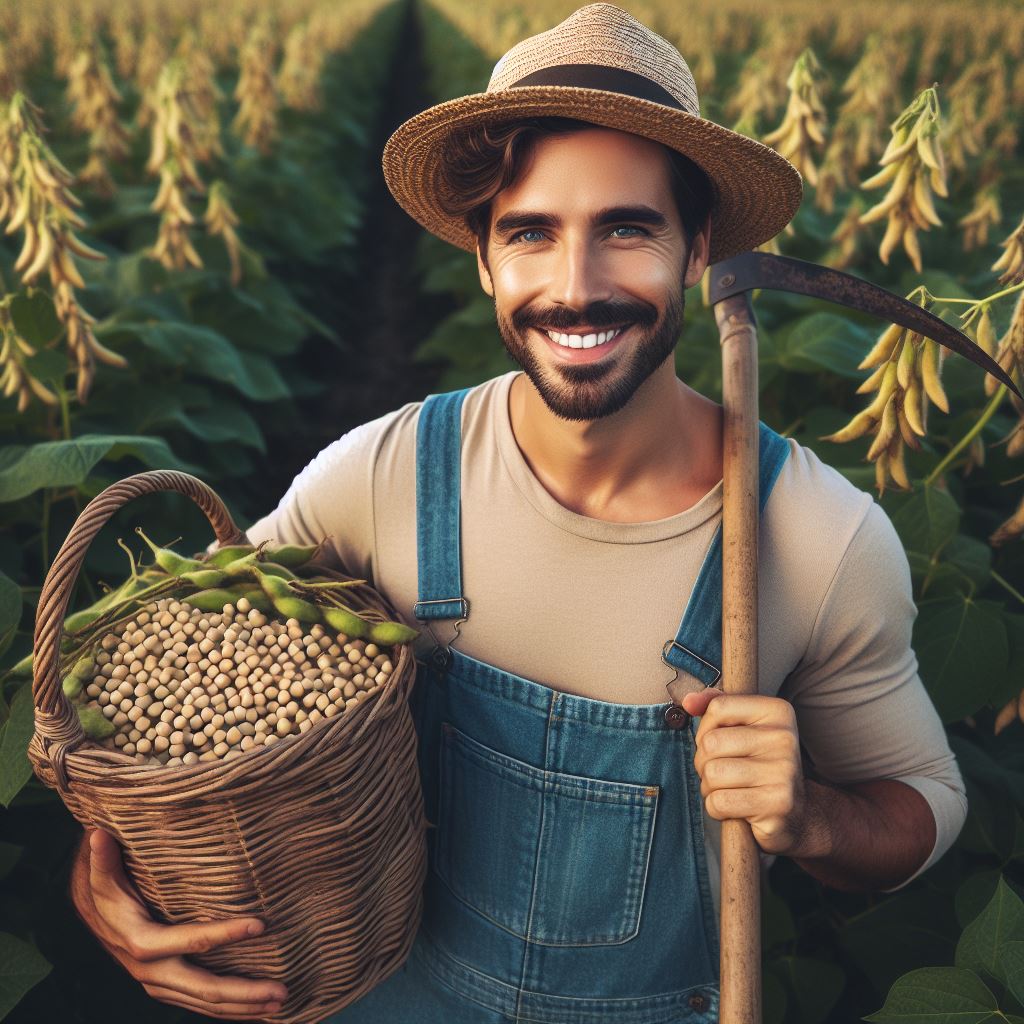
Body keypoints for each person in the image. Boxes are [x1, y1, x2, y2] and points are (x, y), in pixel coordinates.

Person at [69, 5, 967, 1022]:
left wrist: (808, 817)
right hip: (384, 994)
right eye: (531, 234)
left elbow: (922, 805)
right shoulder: (380, 475)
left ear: (697, 244)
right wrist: (108, 879)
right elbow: (185, 688)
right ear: (485, 258)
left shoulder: (816, 534)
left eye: (626, 228)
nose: (574, 288)